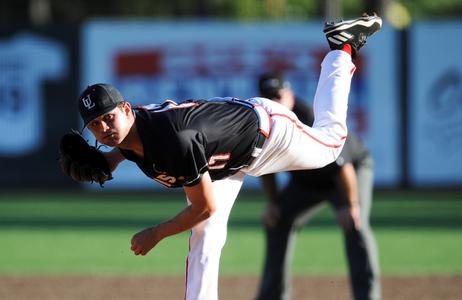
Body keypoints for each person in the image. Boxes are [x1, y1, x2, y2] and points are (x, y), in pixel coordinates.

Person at [67, 15, 381, 300]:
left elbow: (204, 207)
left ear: (126, 109)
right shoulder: (129, 131)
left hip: (267, 132)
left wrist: (157, 233)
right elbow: (127, 145)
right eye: (95, 125)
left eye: (108, 118)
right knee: (205, 238)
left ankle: (341, 49)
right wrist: (108, 162)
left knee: (331, 144)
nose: (104, 129)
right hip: (223, 154)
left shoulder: (174, 141)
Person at [255, 73, 381, 300]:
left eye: (278, 95)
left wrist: (350, 204)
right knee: (277, 220)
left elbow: (343, 165)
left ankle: (368, 296)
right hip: (306, 181)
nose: (274, 101)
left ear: (289, 94)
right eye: (268, 97)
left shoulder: (311, 117)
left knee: (355, 224)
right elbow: (263, 166)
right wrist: (273, 203)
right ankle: (272, 296)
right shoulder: (264, 121)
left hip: (347, 173)